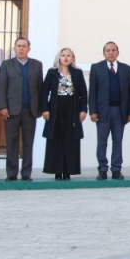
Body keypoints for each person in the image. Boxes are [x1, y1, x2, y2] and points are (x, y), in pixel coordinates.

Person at [89, 41, 130, 180]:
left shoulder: (126, 69)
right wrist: (93, 111)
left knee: (118, 140)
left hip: (119, 112)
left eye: (113, 50)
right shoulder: (96, 68)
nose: (110, 52)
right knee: (102, 141)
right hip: (103, 112)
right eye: (108, 50)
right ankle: (102, 169)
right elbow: (92, 92)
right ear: (104, 53)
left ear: (118, 52)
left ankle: (116, 169)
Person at [0, 37, 43, 181]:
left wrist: (41, 107)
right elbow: (2, 87)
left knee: (28, 142)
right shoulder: (6, 65)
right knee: (12, 142)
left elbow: (40, 88)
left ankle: (26, 173)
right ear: (14, 49)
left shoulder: (37, 65)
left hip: (30, 110)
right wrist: (3, 106)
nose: (21, 48)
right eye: (18, 46)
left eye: (24, 46)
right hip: (11, 110)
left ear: (29, 49)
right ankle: (11, 173)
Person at [41, 48, 87, 180]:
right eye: (63, 55)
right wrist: (45, 109)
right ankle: (57, 170)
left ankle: (68, 170)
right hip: (56, 111)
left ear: (73, 58)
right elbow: (44, 92)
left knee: (70, 140)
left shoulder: (77, 73)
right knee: (56, 140)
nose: (66, 57)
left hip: (72, 111)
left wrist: (83, 110)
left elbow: (83, 93)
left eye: (69, 55)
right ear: (59, 58)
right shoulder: (52, 73)